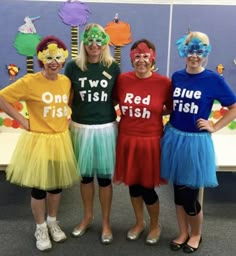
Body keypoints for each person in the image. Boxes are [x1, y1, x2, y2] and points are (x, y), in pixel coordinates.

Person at [0, 36, 79, 252]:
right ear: (41, 59)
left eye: (58, 58)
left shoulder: (65, 81)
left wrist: (68, 116)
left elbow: (67, 103)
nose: (53, 62)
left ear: (63, 60)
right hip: (39, 141)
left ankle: (53, 222)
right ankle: (40, 227)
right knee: (39, 188)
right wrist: (22, 120)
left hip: (61, 139)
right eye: (48, 57)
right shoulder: (30, 81)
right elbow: (2, 98)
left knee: (56, 186)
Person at [161, 31, 236, 253]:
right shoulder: (177, 76)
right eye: (190, 50)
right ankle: (183, 232)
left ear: (206, 53)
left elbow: (233, 107)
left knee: (190, 194)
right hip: (174, 137)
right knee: (178, 190)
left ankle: (196, 234)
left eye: (199, 50)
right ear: (184, 52)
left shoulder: (213, 79)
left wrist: (214, 125)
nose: (194, 55)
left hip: (195, 143)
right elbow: (172, 106)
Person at [64, 23, 120, 244]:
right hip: (80, 128)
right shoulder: (73, 67)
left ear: (104, 43)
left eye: (98, 40)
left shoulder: (113, 67)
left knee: (104, 179)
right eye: (90, 41)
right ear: (84, 43)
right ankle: (87, 217)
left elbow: (116, 96)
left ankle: (106, 222)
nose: (94, 45)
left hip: (105, 129)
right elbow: (67, 96)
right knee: (85, 177)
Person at [113, 39, 173, 245]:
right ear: (131, 58)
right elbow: (112, 101)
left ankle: (155, 225)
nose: (141, 60)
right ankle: (139, 222)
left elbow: (171, 107)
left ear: (152, 58)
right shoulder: (122, 80)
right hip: (127, 140)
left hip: (150, 142)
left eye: (145, 56)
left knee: (148, 188)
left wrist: (155, 112)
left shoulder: (163, 83)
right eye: (137, 56)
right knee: (133, 186)